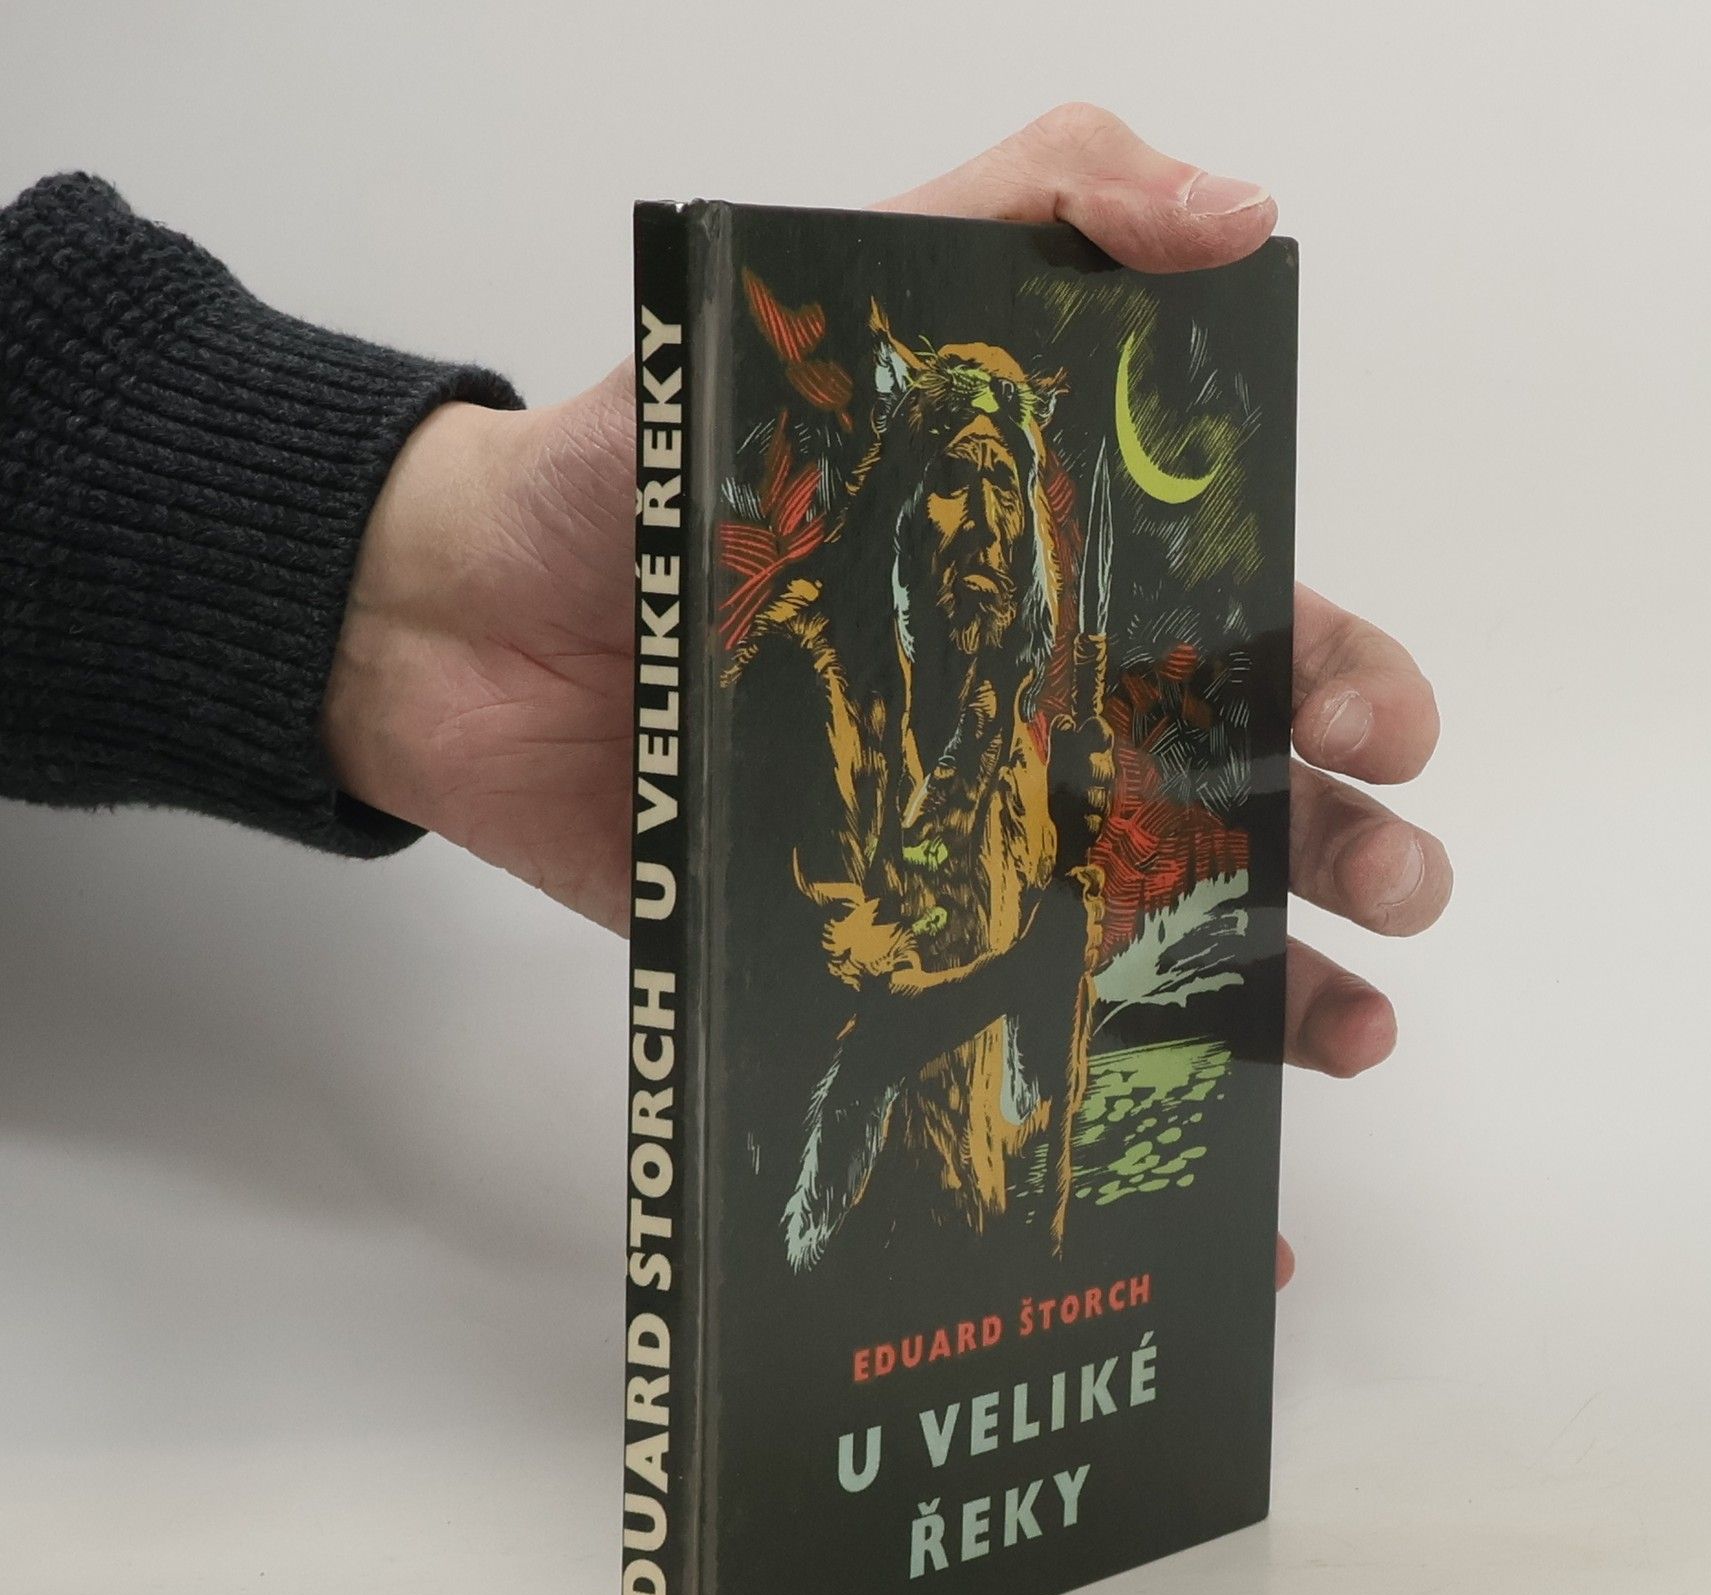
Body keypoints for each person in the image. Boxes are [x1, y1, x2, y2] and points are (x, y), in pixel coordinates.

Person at [0, 103, 1451, 1283]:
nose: (987, 531)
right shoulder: (799, 686)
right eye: (955, 487)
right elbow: (821, 1025)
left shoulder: (1027, 736)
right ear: (895, 514)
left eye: (1009, 496)